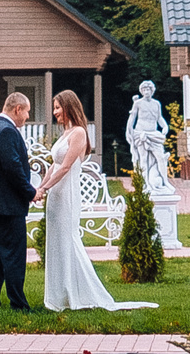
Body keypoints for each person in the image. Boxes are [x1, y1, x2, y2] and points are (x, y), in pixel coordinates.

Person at [36, 89, 157, 312]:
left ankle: (79, 293)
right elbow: (53, 164)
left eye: (58, 107)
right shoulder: (65, 133)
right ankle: (58, 296)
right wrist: (41, 188)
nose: (55, 112)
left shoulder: (79, 133)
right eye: (54, 108)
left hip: (67, 195)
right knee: (56, 244)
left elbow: (65, 168)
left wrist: (45, 187)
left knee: (68, 241)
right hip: (55, 196)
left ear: (69, 106)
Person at [0, 91, 36, 310]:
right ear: (17, 109)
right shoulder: (6, 131)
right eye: (27, 111)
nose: (27, 116)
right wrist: (30, 192)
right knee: (13, 256)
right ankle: (18, 304)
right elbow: (13, 168)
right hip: (7, 205)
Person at [124, 79, 172, 192]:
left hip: (154, 134)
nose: (146, 91)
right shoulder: (138, 103)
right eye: (144, 89)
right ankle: (145, 184)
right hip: (141, 134)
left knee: (161, 158)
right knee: (143, 159)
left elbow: (159, 118)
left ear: (152, 90)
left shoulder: (156, 104)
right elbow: (132, 119)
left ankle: (165, 182)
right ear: (141, 91)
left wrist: (165, 127)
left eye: (148, 89)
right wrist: (128, 132)